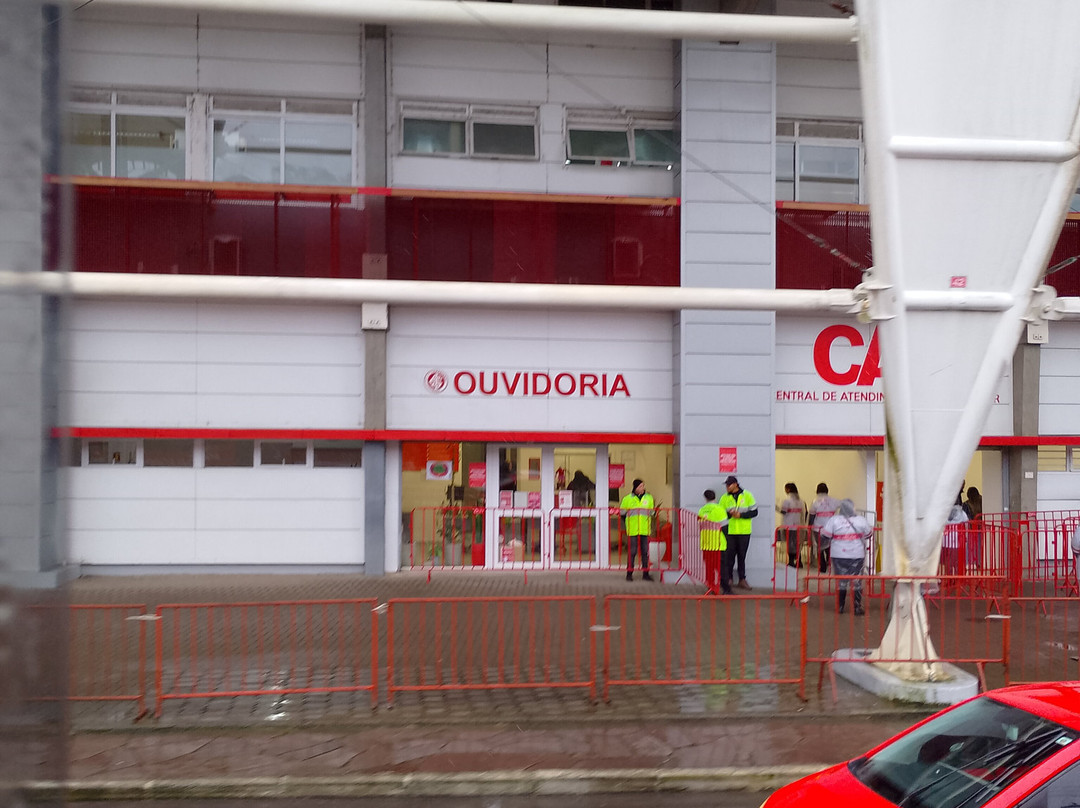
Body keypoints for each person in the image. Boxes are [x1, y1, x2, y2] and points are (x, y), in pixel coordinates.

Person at [820, 499, 873, 615]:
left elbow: (825, 535)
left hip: (838, 555)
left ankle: (840, 606)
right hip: (857, 555)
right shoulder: (861, 520)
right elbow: (869, 534)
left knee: (841, 581)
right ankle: (857, 607)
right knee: (857, 581)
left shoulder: (834, 520)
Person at [719, 475, 758, 590]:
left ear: (735, 484)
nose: (727, 487)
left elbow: (754, 512)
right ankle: (729, 578)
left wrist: (741, 515)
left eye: (729, 485)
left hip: (744, 531)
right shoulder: (724, 498)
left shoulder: (747, 495)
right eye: (726, 485)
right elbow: (721, 515)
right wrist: (730, 514)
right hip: (729, 531)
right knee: (729, 556)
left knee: (742, 556)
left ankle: (742, 579)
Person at [698, 489, 731, 595]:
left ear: (705, 498)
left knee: (709, 567)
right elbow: (725, 527)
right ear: (715, 497)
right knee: (722, 567)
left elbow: (700, 526)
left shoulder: (702, 511)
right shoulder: (720, 509)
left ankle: (711, 587)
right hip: (718, 544)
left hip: (706, 544)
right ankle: (726, 589)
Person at [620, 479, 654, 581]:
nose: (642, 488)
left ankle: (646, 574)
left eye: (643, 486)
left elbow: (652, 512)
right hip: (633, 529)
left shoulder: (649, 498)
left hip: (644, 528)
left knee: (645, 552)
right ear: (635, 488)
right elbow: (622, 513)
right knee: (632, 552)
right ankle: (629, 574)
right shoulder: (627, 499)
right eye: (640, 486)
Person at [808, 482, 841, 574]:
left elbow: (812, 515)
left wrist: (809, 526)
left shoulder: (815, 501)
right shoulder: (834, 500)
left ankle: (822, 566)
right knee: (829, 546)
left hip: (818, 527)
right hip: (831, 527)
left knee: (820, 547)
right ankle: (830, 563)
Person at [776, 482, 807, 568]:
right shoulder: (800, 501)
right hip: (798, 525)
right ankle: (798, 561)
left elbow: (783, 511)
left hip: (789, 525)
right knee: (797, 543)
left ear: (788, 489)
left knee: (790, 544)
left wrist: (776, 508)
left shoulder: (787, 501)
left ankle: (791, 561)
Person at [941, 503, 970, 576]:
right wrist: (966, 535)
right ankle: (958, 578)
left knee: (948, 561)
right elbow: (967, 523)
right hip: (957, 540)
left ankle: (949, 578)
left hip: (945, 540)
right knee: (957, 561)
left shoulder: (944, 511)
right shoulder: (961, 513)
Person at [963, 486, 984, 572]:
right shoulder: (982, 501)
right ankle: (980, 562)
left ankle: (970, 563)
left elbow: (965, 516)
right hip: (981, 528)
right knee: (980, 545)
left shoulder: (966, 504)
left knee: (970, 546)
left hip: (971, 528)